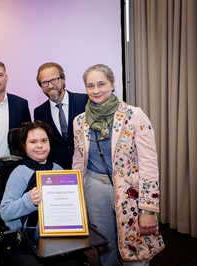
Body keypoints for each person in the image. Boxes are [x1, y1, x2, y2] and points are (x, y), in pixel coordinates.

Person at [72, 64, 165, 266]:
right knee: (104, 246)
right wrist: (75, 198)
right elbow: (78, 161)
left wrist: (149, 209)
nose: (96, 90)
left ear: (113, 84)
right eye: (90, 85)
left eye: (101, 84)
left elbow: (149, 164)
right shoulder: (79, 121)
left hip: (130, 190)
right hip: (93, 189)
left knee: (137, 245)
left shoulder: (134, 115)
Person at [0, 120, 79, 266]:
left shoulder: (58, 169)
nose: (40, 146)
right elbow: (5, 212)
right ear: (24, 145)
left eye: (44, 140)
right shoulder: (19, 173)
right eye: (33, 141)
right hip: (28, 238)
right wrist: (28, 201)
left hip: (57, 236)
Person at [34, 62, 88, 169]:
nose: (50, 86)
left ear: (63, 80)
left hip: (86, 170)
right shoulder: (39, 112)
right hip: (58, 173)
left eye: (54, 80)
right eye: (45, 82)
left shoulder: (84, 101)